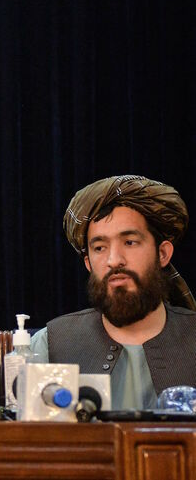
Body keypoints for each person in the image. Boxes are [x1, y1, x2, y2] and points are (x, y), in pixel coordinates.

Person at [31, 175, 196, 409]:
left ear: (163, 254)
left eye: (129, 242)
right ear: (88, 263)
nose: (114, 260)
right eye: (100, 248)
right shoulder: (48, 346)